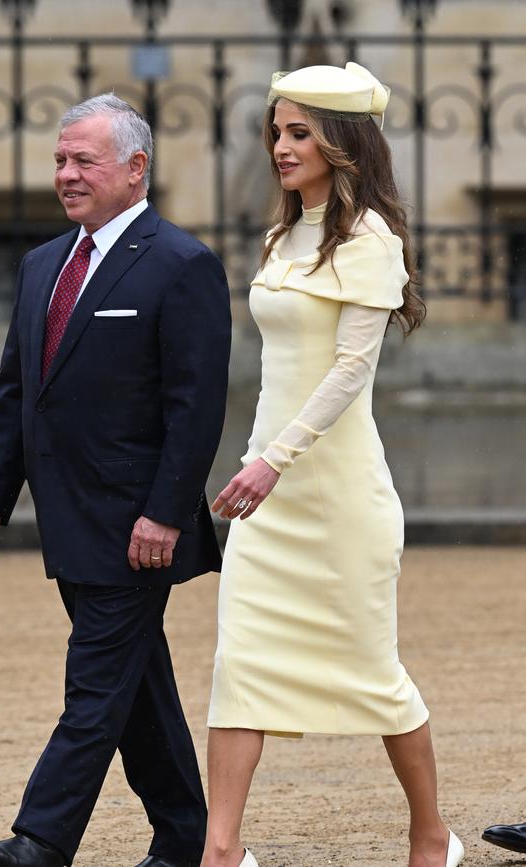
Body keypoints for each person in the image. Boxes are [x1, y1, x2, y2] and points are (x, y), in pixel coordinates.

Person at [0, 94, 232, 867]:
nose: (66, 175)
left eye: (84, 161)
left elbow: (196, 406)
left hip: (140, 525)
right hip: (67, 517)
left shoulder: (183, 264)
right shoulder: (43, 264)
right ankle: (186, 839)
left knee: (97, 681)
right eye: (60, 161)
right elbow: (18, 392)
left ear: (136, 170)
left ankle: (41, 840)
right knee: (137, 686)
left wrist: (167, 514)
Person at [201, 64, 465, 867]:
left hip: (339, 498)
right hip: (267, 494)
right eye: (276, 131)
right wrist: (258, 462)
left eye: (298, 133)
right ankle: (222, 850)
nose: (280, 147)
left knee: (373, 673)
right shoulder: (284, 235)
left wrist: (271, 462)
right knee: (239, 662)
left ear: (341, 144)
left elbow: (350, 370)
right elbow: (278, 371)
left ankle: (432, 837)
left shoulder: (374, 240)